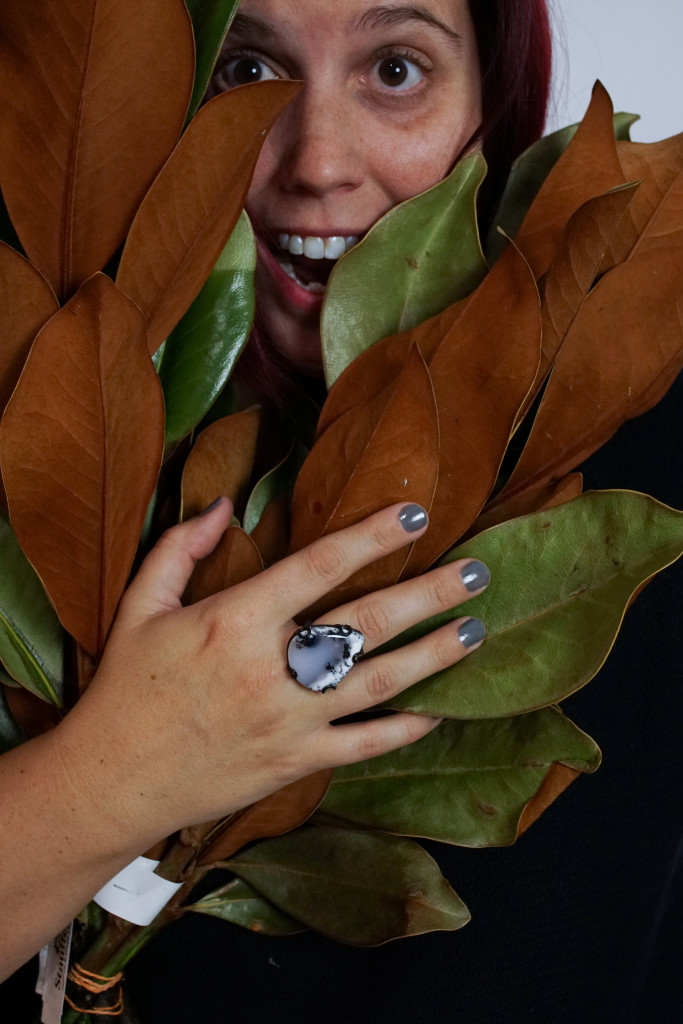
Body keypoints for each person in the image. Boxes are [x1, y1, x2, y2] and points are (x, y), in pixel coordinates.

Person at [2, 2, 682, 1023]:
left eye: (396, 70)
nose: (316, 161)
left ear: (489, 107)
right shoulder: (28, 384)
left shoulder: (636, 435)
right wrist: (122, 771)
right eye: (244, 72)